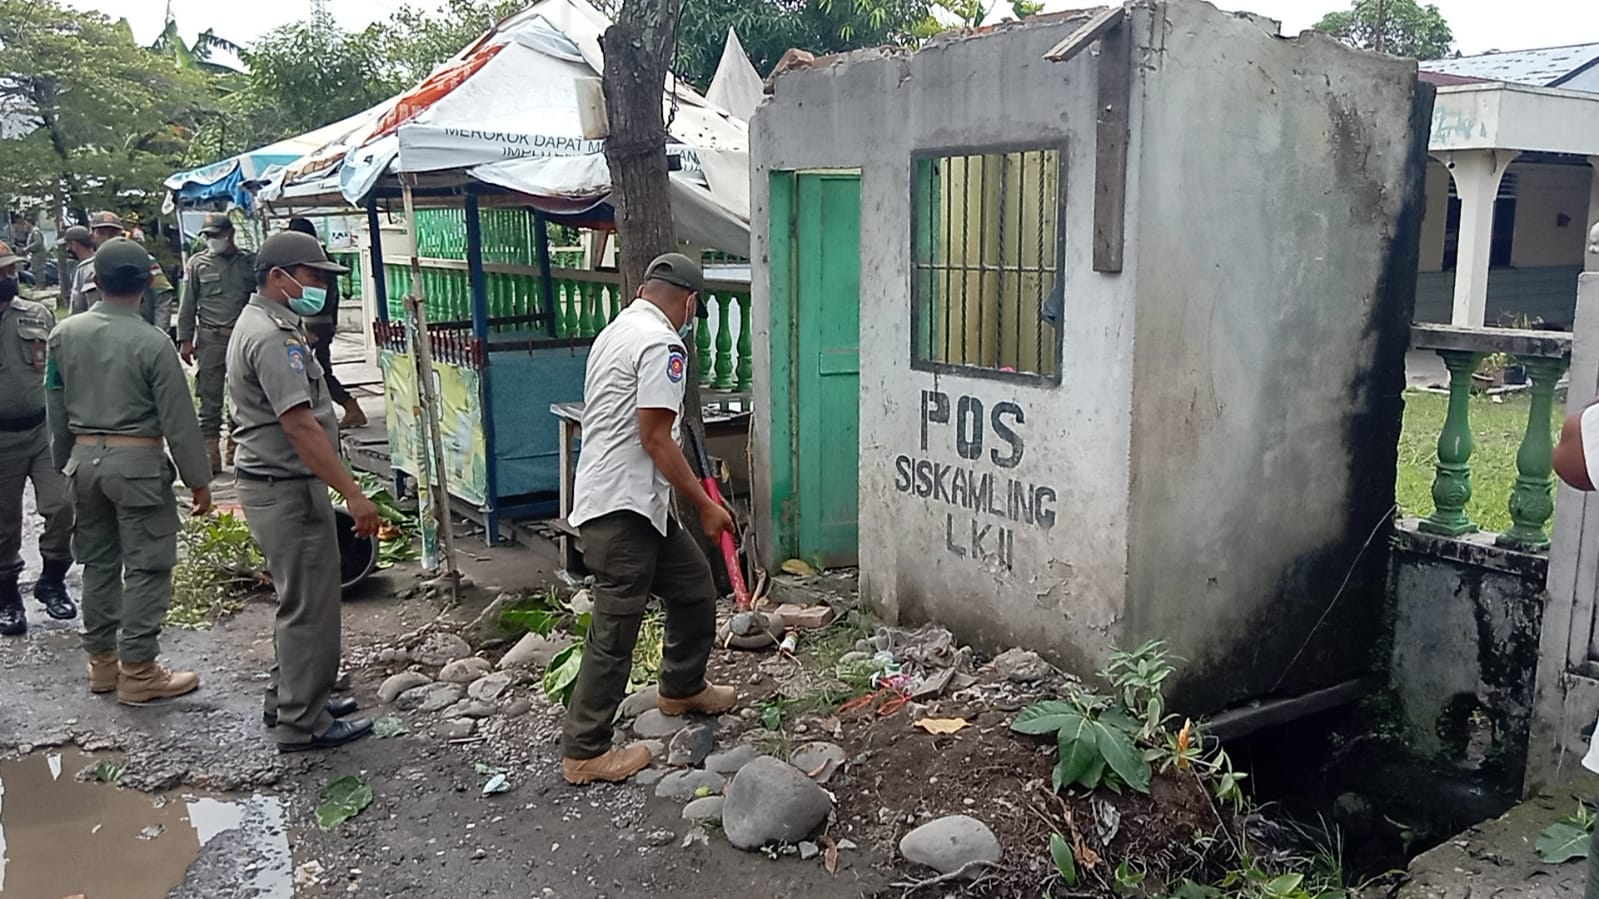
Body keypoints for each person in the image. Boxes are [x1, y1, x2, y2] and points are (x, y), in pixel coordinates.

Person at [561, 252, 738, 785]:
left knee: (692, 587)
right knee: (615, 630)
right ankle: (585, 750)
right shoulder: (662, 343)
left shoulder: (616, 330)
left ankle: (681, 687)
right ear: (689, 302)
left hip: (637, 506)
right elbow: (655, 437)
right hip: (622, 510)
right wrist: (705, 505)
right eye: (693, 312)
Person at [228, 229, 379, 752]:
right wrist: (354, 494)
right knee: (311, 608)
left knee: (298, 603)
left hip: (281, 484)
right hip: (285, 487)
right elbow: (300, 425)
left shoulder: (270, 325)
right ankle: (303, 721)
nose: (318, 288)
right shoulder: (271, 336)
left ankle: (292, 697)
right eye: (312, 277)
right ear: (279, 276)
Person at [45, 238, 213, 702]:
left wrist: (65, 462)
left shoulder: (64, 334)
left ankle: (102, 664)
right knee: (147, 565)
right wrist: (199, 480)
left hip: (83, 461)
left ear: (95, 281)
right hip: (137, 464)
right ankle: (138, 670)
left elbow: (54, 406)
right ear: (146, 284)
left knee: (98, 562)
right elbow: (179, 418)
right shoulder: (152, 342)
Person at [0, 242, 77, 637]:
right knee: (4, 525)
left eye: (11, 270)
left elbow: (60, 372)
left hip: (43, 430)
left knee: (62, 506)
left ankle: (52, 580)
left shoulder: (36, 314)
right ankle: (8, 596)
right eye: (2, 272)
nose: (9, 278)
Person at [179, 213, 256, 473]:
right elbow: (187, 304)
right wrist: (185, 339)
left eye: (216, 235)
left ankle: (237, 448)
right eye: (208, 236)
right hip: (211, 338)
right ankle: (210, 455)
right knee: (209, 398)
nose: (212, 241)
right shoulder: (198, 264)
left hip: (242, 338)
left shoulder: (248, 262)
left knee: (241, 394)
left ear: (230, 234)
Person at [285, 218, 366, 429]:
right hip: (317, 323)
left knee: (316, 371)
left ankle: (349, 406)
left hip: (315, 323)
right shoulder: (315, 257)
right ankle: (345, 408)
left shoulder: (314, 260)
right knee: (312, 371)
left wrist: (309, 326)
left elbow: (322, 297)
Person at [73, 212, 174, 332]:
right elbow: (77, 310)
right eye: (101, 233)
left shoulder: (145, 262)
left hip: (139, 335)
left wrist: (160, 333)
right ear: (92, 236)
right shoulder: (85, 269)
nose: (107, 238)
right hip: (97, 338)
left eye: (113, 233)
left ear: (122, 235)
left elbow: (162, 298)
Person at [12, 217, 46, 287]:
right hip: (35, 253)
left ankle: (41, 286)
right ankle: (37, 285)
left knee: (38, 269)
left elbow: (38, 242)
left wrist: (28, 248)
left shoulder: (35, 231)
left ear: (30, 223)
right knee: (35, 269)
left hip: (38, 253)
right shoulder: (31, 232)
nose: (25, 225)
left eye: (26, 223)